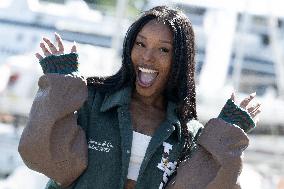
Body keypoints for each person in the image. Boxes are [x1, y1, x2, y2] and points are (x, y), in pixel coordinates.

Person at [18, 6, 261, 189]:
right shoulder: (92, 102)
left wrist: (227, 136)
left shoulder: (188, 134)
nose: (147, 57)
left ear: (179, 61)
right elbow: (44, 157)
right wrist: (60, 87)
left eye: (163, 50)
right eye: (140, 44)